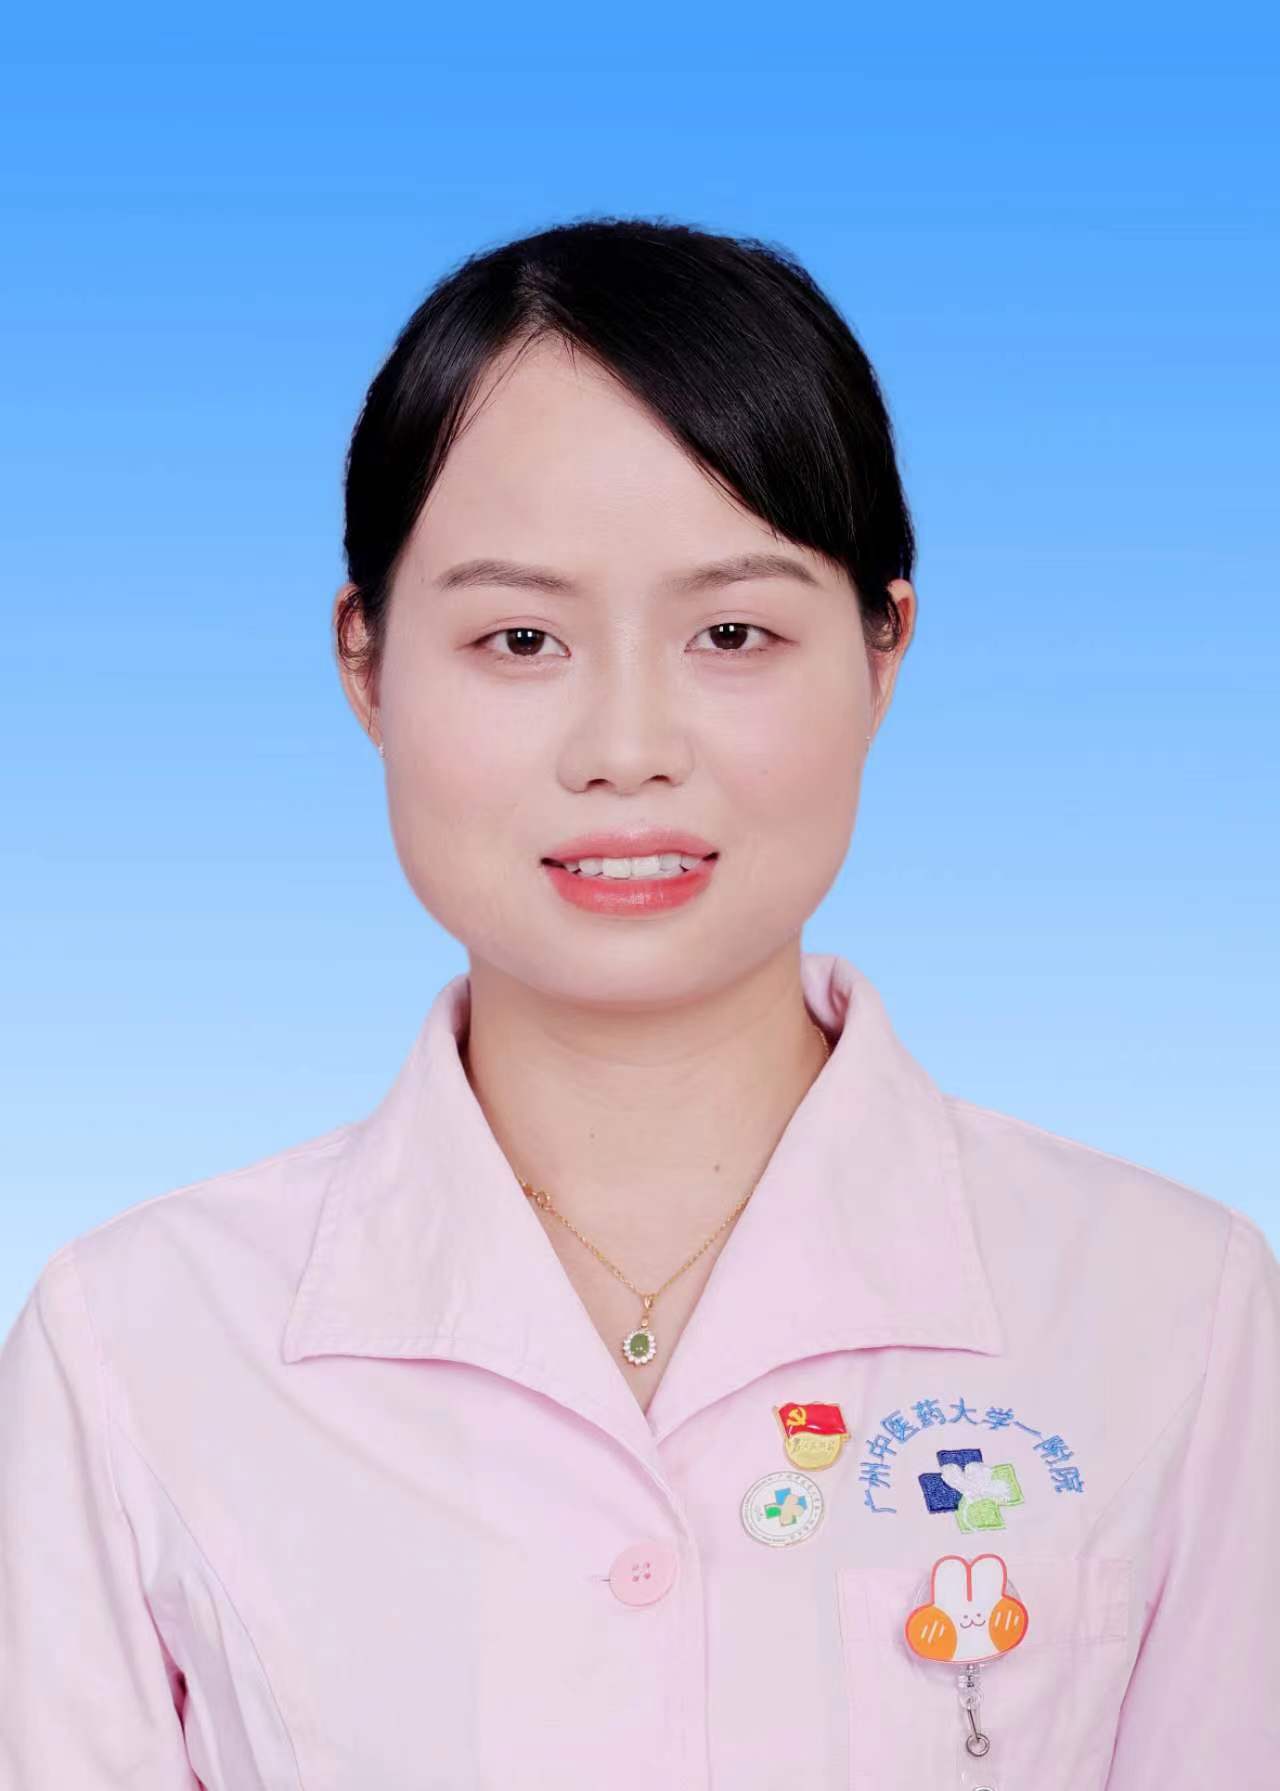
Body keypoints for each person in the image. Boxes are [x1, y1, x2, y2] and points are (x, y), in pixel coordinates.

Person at [1, 215, 1277, 1791]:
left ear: (885, 650)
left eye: (732, 633)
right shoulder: (141, 1348)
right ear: (365, 661)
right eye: (520, 637)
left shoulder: (1171, 1314)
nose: (626, 748)